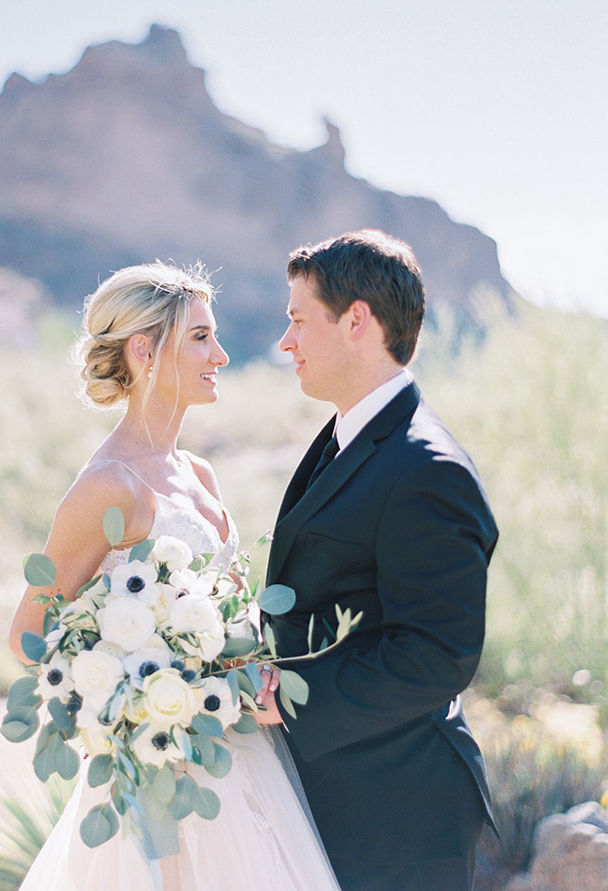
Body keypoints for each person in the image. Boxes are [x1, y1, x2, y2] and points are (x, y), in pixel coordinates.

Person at [10, 262, 341, 891]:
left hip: (241, 753)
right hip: (156, 765)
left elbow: (231, 614)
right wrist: (134, 693)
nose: (219, 353)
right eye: (199, 337)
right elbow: (30, 633)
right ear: (143, 350)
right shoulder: (110, 487)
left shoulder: (199, 473)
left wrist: (251, 669)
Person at [258, 231, 498, 891]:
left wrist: (292, 700)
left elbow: (437, 653)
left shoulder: (426, 468)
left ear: (357, 320)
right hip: (344, 805)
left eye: (299, 320)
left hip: (401, 824)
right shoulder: (347, 437)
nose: (287, 342)